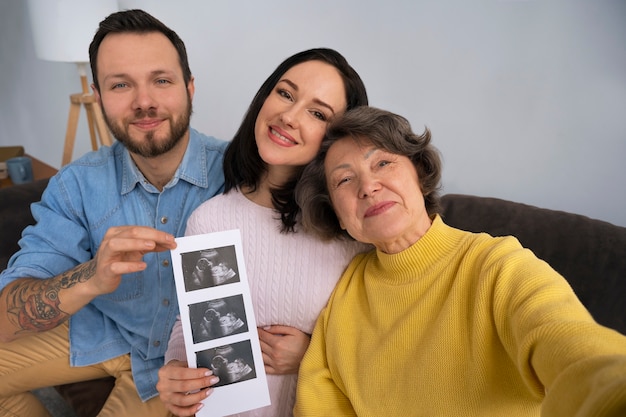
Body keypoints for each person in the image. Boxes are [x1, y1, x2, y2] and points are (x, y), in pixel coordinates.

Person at [293, 106, 626, 416]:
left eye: (382, 163)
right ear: (336, 214)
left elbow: (572, 347)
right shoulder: (343, 296)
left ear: (420, 174)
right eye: (344, 180)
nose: (368, 186)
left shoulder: (497, 265)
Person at [0, 9, 227, 417]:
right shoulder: (76, 185)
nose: (144, 102)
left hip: (180, 363)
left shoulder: (240, 172)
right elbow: (6, 316)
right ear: (99, 97)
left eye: (161, 80)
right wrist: (91, 277)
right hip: (102, 332)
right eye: (121, 84)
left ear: (190, 88)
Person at [156, 48, 372, 416]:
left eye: (317, 113)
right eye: (285, 93)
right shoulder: (210, 219)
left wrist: (313, 353)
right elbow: (193, 322)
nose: (288, 116)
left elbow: (383, 346)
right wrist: (176, 369)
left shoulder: (351, 234)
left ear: (337, 138)